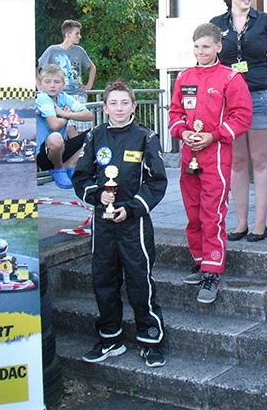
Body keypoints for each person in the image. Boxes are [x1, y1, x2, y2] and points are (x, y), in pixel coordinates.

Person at [73, 79, 169, 367]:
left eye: (124, 103)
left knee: (140, 280)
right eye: (113, 103)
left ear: (134, 106)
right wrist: (97, 195)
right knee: (103, 279)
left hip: (133, 224)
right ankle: (110, 338)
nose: (119, 108)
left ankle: (150, 340)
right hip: (103, 223)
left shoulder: (146, 138)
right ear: (104, 108)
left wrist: (132, 208)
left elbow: (156, 182)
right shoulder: (94, 137)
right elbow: (81, 177)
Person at [168, 23, 253, 304]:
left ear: (218, 47)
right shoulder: (184, 77)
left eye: (206, 46)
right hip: (188, 157)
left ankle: (212, 272)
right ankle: (200, 261)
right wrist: (183, 133)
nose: (200, 52)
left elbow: (242, 117)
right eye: (196, 46)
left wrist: (212, 136)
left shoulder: (231, 78)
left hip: (215, 157)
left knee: (212, 215)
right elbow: (175, 114)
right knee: (193, 215)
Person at [211, 0, 267, 243]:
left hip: (260, 96)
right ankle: (241, 222)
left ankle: (260, 223)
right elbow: (209, 60)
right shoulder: (216, 24)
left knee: (260, 160)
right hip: (229, 101)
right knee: (237, 162)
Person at [36, 63, 93, 188]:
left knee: (95, 133)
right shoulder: (42, 98)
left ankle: (70, 164)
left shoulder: (63, 97)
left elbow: (89, 115)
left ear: (63, 85)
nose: (52, 85)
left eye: (56, 82)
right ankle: (58, 167)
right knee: (55, 137)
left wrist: (64, 113)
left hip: (61, 149)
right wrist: (65, 117)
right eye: (47, 82)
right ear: (39, 85)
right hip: (43, 153)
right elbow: (54, 125)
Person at [38, 20, 97, 137]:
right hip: (59, 95)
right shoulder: (52, 50)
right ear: (68, 35)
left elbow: (92, 67)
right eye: (77, 33)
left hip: (77, 93)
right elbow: (38, 67)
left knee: (82, 130)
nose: (79, 36)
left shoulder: (79, 51)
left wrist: (89, 85)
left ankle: (80, 148)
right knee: (68, 128)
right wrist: (39, 85)